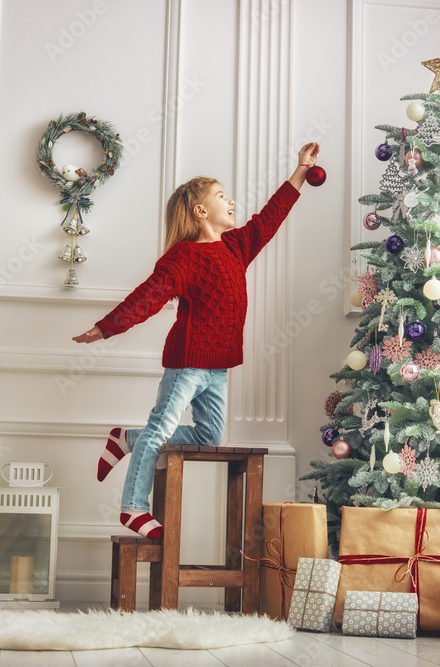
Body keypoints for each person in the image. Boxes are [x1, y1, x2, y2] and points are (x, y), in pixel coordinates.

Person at [73, 142, 320, 538]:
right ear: (200, 211)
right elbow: (148, 296)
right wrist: (107, 327)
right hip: (188, 363)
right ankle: (132, 508)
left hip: (218, 367)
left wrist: (300, 172)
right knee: (161, 428)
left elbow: (270, 218)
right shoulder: (184, 258)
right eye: (223, 196)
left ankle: (125, 438)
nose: (232, 201)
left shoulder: (237, 247)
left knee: (209, 437)